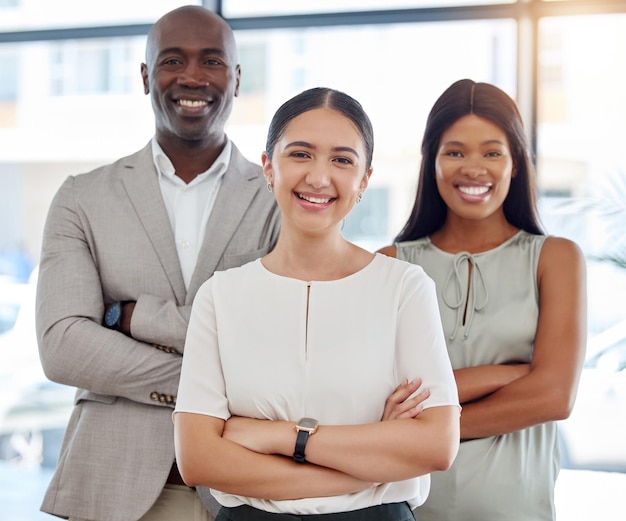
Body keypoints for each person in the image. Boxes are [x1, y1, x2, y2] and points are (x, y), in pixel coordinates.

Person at [36, 6, 280, 521]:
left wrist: (130, 319)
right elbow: (62, 347)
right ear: (146, 76)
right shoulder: (82, 199)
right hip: (111, 488)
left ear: (237, 79)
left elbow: (282, 340)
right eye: (173, 60)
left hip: (250, 491)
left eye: (212, 61)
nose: (192, 76)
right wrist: (213, 383)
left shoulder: (280, 200)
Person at [173, 86, 461, 521]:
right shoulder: (221, 296)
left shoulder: (403, 287)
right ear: (269, 167)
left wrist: (281, 437)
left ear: (364, 179)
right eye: (300, 154)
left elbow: (437, 446)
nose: (319, 178)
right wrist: (371, 457)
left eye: (342, 160)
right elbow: (198, 459)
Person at [378, 79, 587, 521]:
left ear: (515, 164)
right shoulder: (390, 265)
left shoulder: (556, 258)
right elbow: (373, 399)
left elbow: (552, 396)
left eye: (492, 152)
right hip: (404, 509)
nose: (473, 168)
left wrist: (427, 427)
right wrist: (507, 374)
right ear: (431, 162)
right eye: (454, 152)